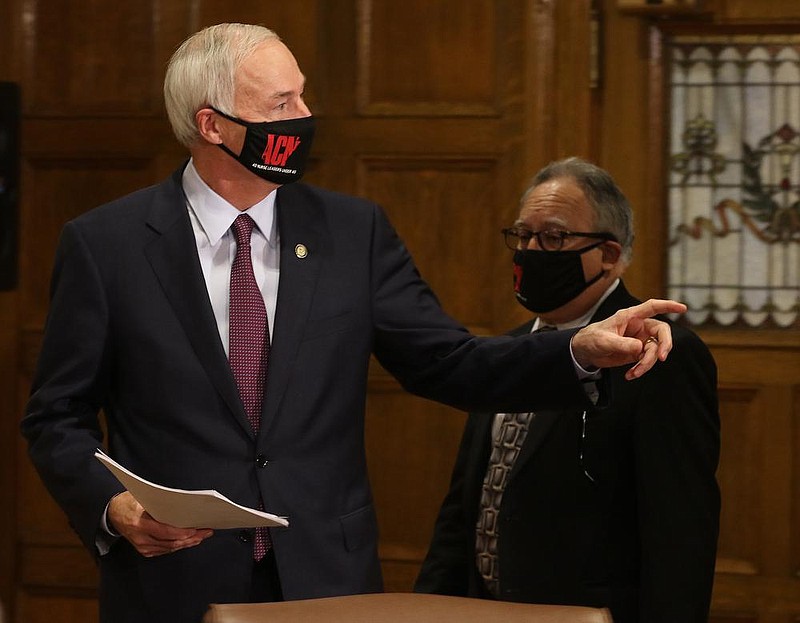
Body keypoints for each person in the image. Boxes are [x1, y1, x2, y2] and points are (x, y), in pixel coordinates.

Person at [21, 24, 685, 623]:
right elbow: (56, 414)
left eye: (303, 96)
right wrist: (113, 507)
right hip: (169, 587)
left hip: (326, 585)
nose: (307, 117)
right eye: (282, 105)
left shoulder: (352, 232)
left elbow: (450, 361)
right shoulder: (106, 245)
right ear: (214, 125)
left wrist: (579, 350)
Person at [414, 157, 720, 622]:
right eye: (523, 236)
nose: (531, 251)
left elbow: (679, 528)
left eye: (554, 237)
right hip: (482, 608)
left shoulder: (657, 351)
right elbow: (466, 506)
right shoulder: (510, 351)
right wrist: (430, 605)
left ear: (610, 255)